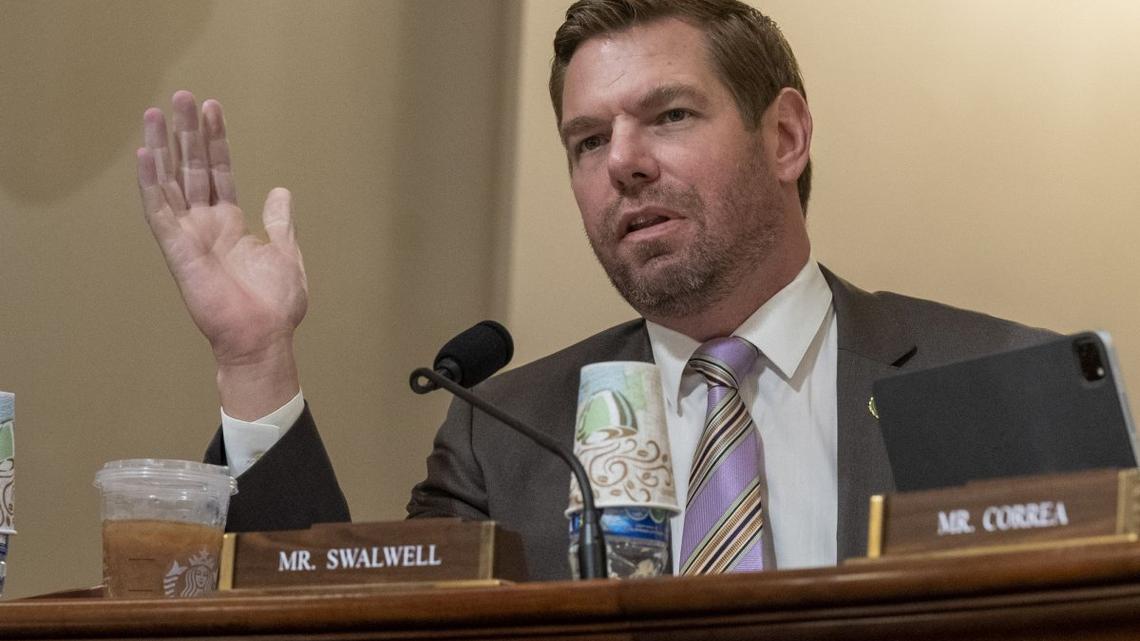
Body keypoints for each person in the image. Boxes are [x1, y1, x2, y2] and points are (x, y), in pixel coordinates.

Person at [135, 0, 1048, 581]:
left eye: (670, 115)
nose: (622, 163)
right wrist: (255, 359)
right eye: (585, 141)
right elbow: (353, 619)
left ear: (786, 136)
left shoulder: (1000, 382)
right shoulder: (507, 432)